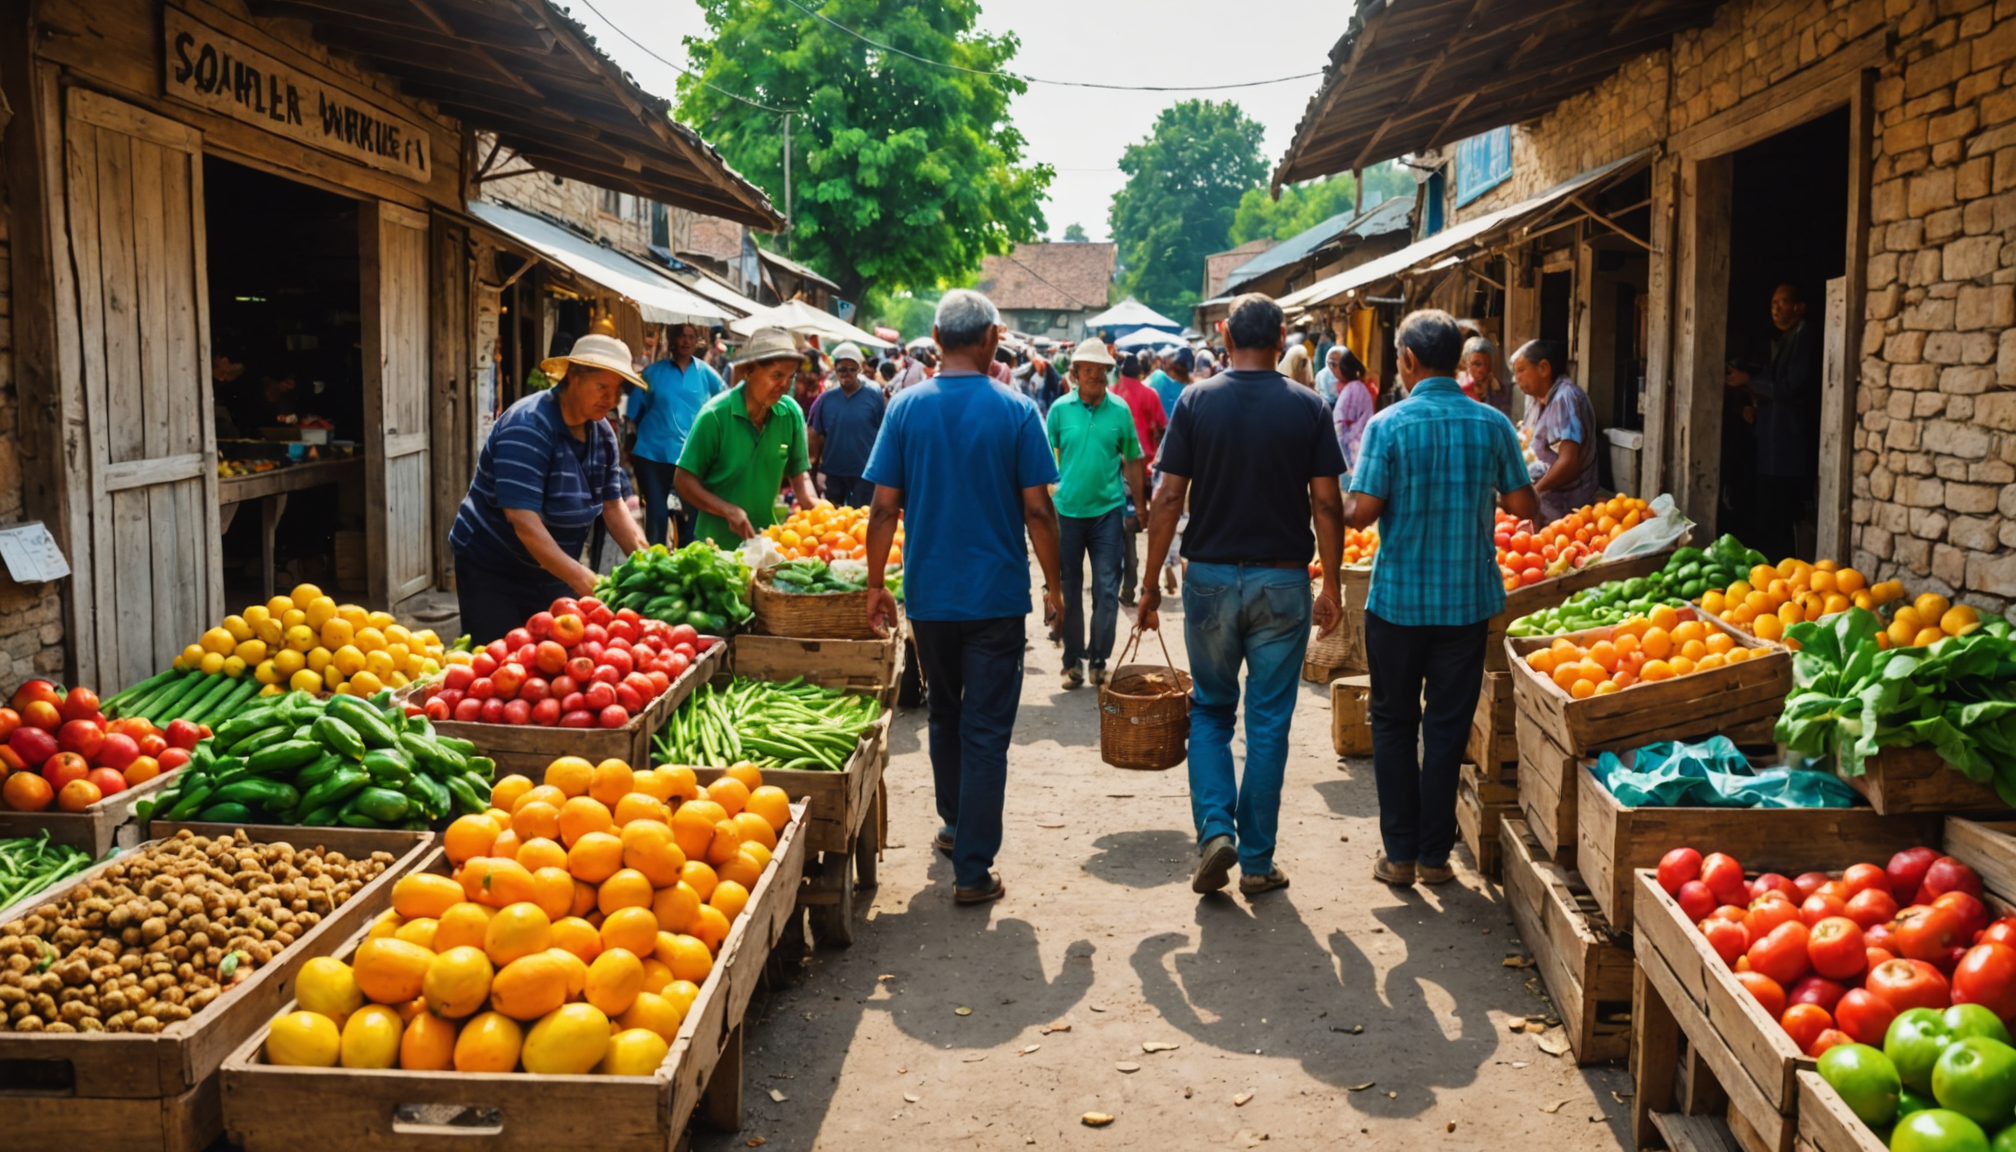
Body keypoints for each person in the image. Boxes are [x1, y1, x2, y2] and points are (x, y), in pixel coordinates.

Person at [1138, 293, 1345, 899]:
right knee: (1269, 721)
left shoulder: (1197, 401)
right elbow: (1327, 502)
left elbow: (1168, 498)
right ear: (1281, 338)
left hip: (1208, 579)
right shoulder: (1310, 407)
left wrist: (1149, 586)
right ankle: (1256, 861)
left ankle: (1213, 831)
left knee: (1208, 708)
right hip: (1283, 580)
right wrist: (1330, 581)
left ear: (1225, 333)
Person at [862, 290, 1062, 905]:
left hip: (929, 597)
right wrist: (1056, 586)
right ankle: (972, 870)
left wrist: (875, 585)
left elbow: (883, 506)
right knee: (986, 730)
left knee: (946, 713)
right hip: (996, 597)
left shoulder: (904, 408)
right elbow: (1037, 508)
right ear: (991, 339)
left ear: (934, 336)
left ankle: (954, 824)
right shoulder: (1017, 410)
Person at [1348, 310, 1540, 887]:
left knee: (1393, 722)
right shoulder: (1493, 425)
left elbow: (1363, 512)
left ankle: (1400, 855)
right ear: (1458, 359)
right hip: (1466, 601)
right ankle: (1435, 858)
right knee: (1448, 726)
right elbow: (1524, 506)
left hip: (1398, 602)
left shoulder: (1388, 426)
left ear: (1407, 360)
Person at [449, 332, 649, 643]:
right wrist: (580, 577)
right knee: (499, 660)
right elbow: (524, 522)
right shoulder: (527, 426)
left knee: (551, 660)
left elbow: (613, 506)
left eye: (617, 390)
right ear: (573, 377)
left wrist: (648, 564)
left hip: (552, 565)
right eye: (602, 387)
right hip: (492, 565)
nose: (610, 399)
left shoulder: (603, 435)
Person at [1047, 341, 1149, 689]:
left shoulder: (1120, 411)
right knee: (1070, 589)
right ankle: (1073, 660)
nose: (1094, 375)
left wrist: (1141, 505)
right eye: (1086, 369)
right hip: (1068, 512)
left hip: (1108, 511)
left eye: (1100, 369)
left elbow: (1133, 459)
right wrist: (1048, 504)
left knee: (1107, 589)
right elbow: (1048, 463)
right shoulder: (1059, 410)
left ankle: (1099, 660)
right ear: (1075, 373)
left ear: (1108, 373)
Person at [674, 328, 822, 546]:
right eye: (777, 375)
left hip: (767, 542)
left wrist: (816, 506)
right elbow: (683, 480)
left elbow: (800, 476)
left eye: (790, 377)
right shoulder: (714, 415)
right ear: (749, 370)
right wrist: (728, 511)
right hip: (714, 546)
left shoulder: (791, 414)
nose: (785, 385)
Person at [1727, 282, 1821, 561]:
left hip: (1787, 450)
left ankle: (1781, 574)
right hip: (1772, 447)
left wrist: (1749, 381)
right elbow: (1775, 388)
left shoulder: (1807, 336)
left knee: (1779, 520)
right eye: (1772, 303)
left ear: (1799, 307)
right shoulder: (1785, 339)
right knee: (1768, 516)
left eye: (1782, 302)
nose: (1775, 308)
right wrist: (1753, 404)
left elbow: (1791, 388)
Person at [627, 323, 725, 547]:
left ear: (697, 342)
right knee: (658, 514)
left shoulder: (706, 374)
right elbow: (633, 413)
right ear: (671, 340)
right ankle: (653, 564)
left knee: (698, 515)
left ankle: (686, 561)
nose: (686, 341)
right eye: (681, 336)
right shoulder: (652, 373)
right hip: (652, 455)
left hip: (691, 459)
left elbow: (725, 403)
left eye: (691, 337)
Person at [1511, 338, 1600, 524]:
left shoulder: (1565, 397)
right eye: (1515, 372)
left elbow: (1568, 462)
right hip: (1543, 495)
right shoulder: (1535, 400)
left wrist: (1534, 493)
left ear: (1544, 368)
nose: (1516, 378)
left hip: (1566, 506)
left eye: (1521, 370)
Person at [1107, 349, 1168, 606]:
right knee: (1148, 523)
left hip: (1115, 470)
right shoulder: (1149, 394)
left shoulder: (1110, 395)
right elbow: (1163, 427)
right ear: (1140, 372)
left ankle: (1124, 585)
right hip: (1145, 470)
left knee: (1123, 527)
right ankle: (1146, 582)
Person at [806, 342, 886, 508]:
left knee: (860, 522)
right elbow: (816, 435)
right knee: (832, 522)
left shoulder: (874, 395)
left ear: (860, 370)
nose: (847, 373)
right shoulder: (826, 399)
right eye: (842, 369)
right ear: (835, 371)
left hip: (864, 473)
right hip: (834, 473)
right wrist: (813, 473)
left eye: (852, 369)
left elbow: (883, 433)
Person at [1330, 349, 1376, 480]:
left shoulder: (1352, 389)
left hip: (1352, 452)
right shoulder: (1359, 387)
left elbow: (1340, 426)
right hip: (1362, 447)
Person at [1460, 335, 1515, 419]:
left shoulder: (1502, 392)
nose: (1482, 370)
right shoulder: (1458, 391)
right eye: (1477, 364)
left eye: (1478, 364)